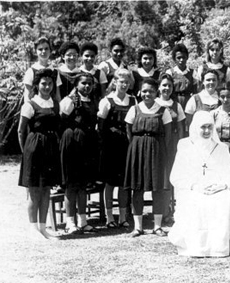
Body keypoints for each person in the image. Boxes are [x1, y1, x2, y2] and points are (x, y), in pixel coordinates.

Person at [168, 111, 230, 257]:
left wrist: (221, 186)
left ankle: (218, 248)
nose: (207, 131)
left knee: (221, 202)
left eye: (210, 127)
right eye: (203, 127)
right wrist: (195, 186)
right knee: (196, 203)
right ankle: (197, 247)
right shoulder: (185, 146)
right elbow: (176, 176)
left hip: (217, 189)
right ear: (195, 127)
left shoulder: (221, 148)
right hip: (193, 189)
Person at [124, 78, 172, 237]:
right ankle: (138, 227)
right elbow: (129, 131)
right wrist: (138, 146)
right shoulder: (134, 109)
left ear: (156, 92)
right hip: (137, 150)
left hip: (157, 150)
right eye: (144, 91)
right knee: (137, 188)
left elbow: (168, 135)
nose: (147, 94)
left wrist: (157, 149)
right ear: (139, 92)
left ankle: (157, 226)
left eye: (151, 91)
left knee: (157, 189)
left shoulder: (163, 111)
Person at [18, 69, 61, 240]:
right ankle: (33, 228)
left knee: (46, 189)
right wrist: (26, 153)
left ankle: (43, 228)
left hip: (50, 148)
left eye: (50, 83)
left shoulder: (54, 104)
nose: (47, 87)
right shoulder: (30, 104)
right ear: (37, 85)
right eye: (43, 83)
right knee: (34, 190)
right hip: (34, 148)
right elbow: (21, 131)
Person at [59, 72, 99, 234]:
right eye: (83, 83)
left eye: (90, 83)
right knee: (71, 184)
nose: (87, 86)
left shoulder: (93, 101)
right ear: (76, 85)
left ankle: (83, 221)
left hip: (86, 145)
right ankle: (70, 223)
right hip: (71, 144)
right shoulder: (69, 101)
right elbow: (61, 121)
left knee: (83, 185)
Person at [97, 68, 136, 229]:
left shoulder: (133, 101)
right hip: (110, 145)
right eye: (121, 81)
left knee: (123, 182)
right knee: (110, 182)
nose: (124, 84)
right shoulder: (107, 101)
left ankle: (122, 216)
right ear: (115, 82)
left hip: (127, 145)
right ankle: (109, 216)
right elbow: (100, 127)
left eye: (127, 82)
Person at [155, 74, 186, 221]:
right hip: (156, 142)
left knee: (170, 176)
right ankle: (159, 209)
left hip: (172, 143)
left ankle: (169, 210)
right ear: (159, 87)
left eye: (169, 86)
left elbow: (181, 128)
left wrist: (180, 146)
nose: (166, 88)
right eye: (164, 85)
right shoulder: (153, 103)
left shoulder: (177, 105)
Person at [23, 37, 61, 103]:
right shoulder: (31, 71)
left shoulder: (55, 72)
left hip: (52, 109)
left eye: (46, 49)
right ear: (35, 51)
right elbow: (27, 96)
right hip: (36, 110)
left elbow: (57, 96)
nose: (44, 51)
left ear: (50, 50)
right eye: (40, 49)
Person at [166, 43, 198, 108]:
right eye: (178, 58)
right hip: (174, 101)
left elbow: (195, 91)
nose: (181, 60)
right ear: (174, 59)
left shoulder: (192, 72)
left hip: (189, 102)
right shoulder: (170, 72)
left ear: (187, 58)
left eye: (183, 57)